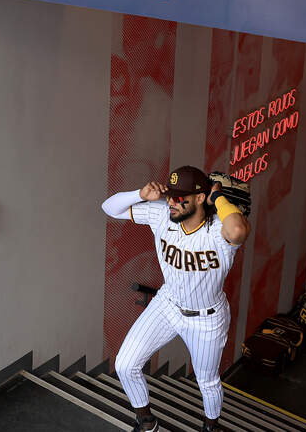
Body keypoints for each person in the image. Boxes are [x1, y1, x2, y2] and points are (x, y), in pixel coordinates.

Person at [102, 165, 252, 432]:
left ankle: (210, 427)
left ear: (199, 198)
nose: (171, 201)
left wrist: (217, 197)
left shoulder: (219, 230)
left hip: (207, 318)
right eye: (170, 194)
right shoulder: (161, 213)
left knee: (207, 381)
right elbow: (109, 207)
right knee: (125, 364)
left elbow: (239, 229)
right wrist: (140, 193)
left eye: (180, 196)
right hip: (167, 305)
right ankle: (146, 422)